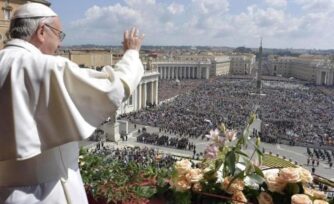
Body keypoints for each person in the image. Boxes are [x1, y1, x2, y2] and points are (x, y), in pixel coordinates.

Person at [0, 2, 144, 204]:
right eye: (59, 35)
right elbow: (112, 89)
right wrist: (132, 53)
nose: (60, 44)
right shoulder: (47, 68)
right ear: (42, 31)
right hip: (45, 194)